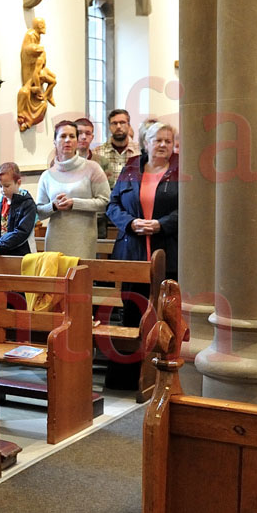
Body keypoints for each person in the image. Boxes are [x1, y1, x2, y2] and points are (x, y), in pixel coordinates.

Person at [105, 122, 180, 389]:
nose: (163, 145)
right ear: (146, 143)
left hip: (168, 253)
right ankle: (126, 378)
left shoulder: (180, 169)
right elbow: (112, 205)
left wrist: (162, 224)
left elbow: (191, 206)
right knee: (132, 314)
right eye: (158, 140)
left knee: (165, 316)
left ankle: (164, 376)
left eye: (168, 141)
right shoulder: (131, 168)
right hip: (132, 252)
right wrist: (130, 222)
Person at [36, 120, 110, 261]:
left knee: (80, 273)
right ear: (55, 141)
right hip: (55, 240)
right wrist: (53, 206)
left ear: (77, 141)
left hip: (83, 239)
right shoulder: (47, 175)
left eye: (72, 136)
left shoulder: (93, 168)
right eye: (63, 136)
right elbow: (39, 212)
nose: (67, 140)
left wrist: (74, 203)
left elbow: (105, 202)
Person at [0, 162, 37, 257]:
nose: (3, 190)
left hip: (22, 254)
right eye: (0, 186)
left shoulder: (27, 203)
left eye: (7, 186)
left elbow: (22, 231)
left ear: (18, 183)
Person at [17, 17, 58, 131]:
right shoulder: (31, 35)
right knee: (24, 92)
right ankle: (22, 118)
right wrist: (37, 88)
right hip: (31, 77)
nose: (44, 27)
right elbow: (27, 49)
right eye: (41, 25)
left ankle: (29, 122)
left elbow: (45, 75)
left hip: (37, 77)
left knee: (43, 103)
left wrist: (43, 93)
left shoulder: (40, 58)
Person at [95, 109, 141, 191]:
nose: (118, 126)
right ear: (109, 127)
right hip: (106, 198)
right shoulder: (97, 153)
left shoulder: (140, 152)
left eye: (122, 122)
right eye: (114, 123)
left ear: (129, 125)